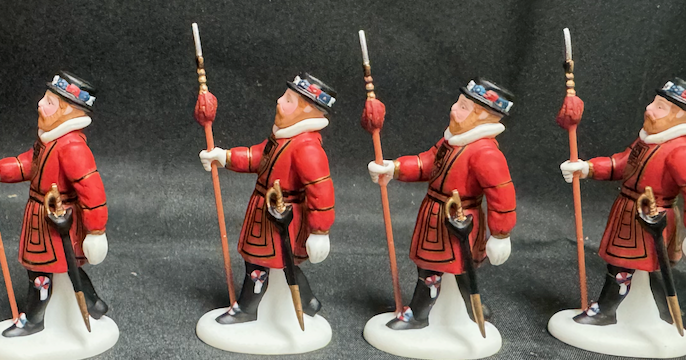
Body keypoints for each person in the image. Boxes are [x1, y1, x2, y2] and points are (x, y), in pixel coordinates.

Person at [559, 78, 686, 325]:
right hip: (628, 213)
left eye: (660, 107)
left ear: (682, 116)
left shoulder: (683, 153)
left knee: (646, 269)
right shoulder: (646, 142)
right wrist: (587, 168)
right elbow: (622, 164)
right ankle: (646, 311)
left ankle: (622, 310)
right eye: (654, 102)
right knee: (627, 266)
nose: (649, 109)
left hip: (653, 220)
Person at [368, 79, 516, 329]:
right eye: (458, 103)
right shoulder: (450, 142)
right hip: (435, 217)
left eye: (463, 107)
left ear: (482, 116)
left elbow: (501, 195)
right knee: (441, 269)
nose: (453, 109)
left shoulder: (486, 154)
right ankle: (468, 308)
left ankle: (423, 313)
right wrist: (394, 168)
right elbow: (427, 163)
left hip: (461, 222)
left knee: (452, 269)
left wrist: (501, 234)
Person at [0, 72, 108, 337]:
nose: (40, 104)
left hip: (58, 220)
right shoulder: (48, 142)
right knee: (66, 266)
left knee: (41, 271)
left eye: (49, 102)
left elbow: (91, 190)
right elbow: (28, 164)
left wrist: (96, 232)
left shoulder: (72, 147)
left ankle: (34, 319)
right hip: (43, 217)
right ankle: (93, 303)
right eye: (45, 99)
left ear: (67, 111)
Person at [200, 73, 335, 324]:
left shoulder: (307, 148)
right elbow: (257, 157)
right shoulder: (281, 139)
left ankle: (247, 308)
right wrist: (224, 157)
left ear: (306, 111)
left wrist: (320, 231)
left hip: (284, 218)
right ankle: (308, 301)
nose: (279, 101)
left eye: (288, 100)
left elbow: (321, 190)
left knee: (261, 264)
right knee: (283, 264)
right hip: (265, 212)